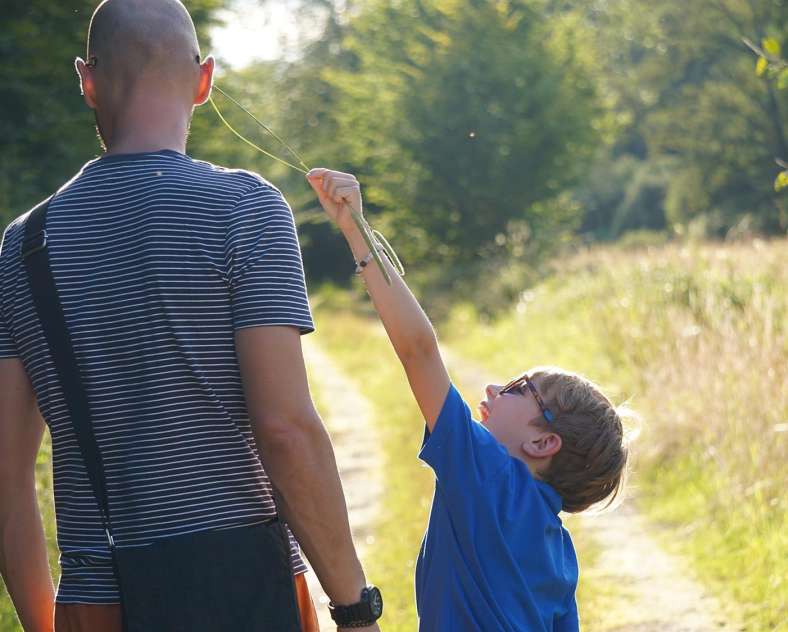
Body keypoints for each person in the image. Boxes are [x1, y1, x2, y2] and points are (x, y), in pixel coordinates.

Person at [0, 2, 380, 631]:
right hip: (245, 590)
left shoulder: (25, 244)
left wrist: (49, 623)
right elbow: (284, 429)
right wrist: (354, 606)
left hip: (98, 600)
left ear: (86, 80)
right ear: (204, 80)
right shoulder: (245, 209)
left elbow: (8, 473)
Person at [307, 168, 634, 631]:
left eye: (520, 387)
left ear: (543, 443)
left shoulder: (489, 475)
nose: (492, 389)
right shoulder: (560, 552)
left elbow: (419, 351)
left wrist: (356, 231)